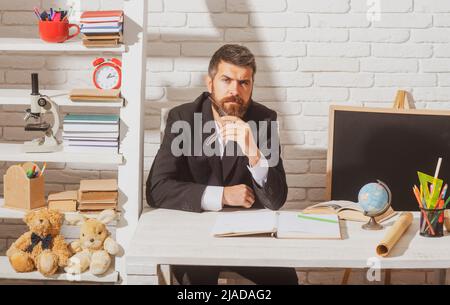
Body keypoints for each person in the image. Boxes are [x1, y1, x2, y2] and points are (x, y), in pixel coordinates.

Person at [146, 44, 298, 285]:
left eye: (243, 83)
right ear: (210, 84)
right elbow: (156, 189)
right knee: (196, 283)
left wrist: (254, 154)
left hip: (247, 238)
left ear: (251, 87)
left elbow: (276, 199)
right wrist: (223, 196)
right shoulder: (183, 118)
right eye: (226, 80)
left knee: (286, 280)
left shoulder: (264, 119)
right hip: (194, 235)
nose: (234, 90)